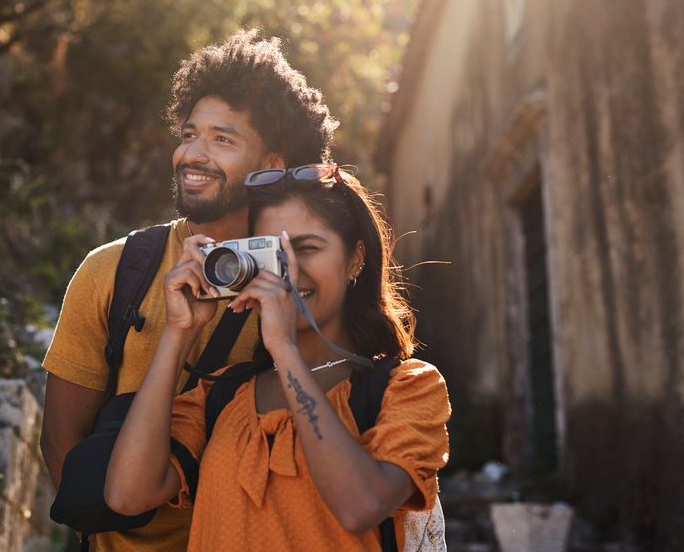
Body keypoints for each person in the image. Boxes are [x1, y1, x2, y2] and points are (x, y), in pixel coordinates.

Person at [40, 29, 339, 551]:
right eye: (188, 133)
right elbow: (61, 443)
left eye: (222, 139)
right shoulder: (111, 271)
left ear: (272, 164)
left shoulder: (306, 283)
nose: (192, 154)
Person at [104, 163, 451, 551]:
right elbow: (127, 495)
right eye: (273, 254)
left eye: (306, 249)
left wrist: (284, 349)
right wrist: (179, 331)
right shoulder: (222, 396)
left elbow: (360, 507)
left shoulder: (407, 388)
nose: (288, 273)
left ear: (356, 258)